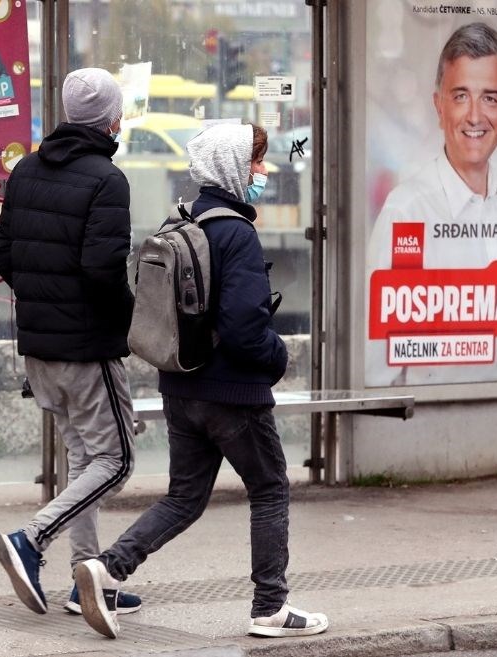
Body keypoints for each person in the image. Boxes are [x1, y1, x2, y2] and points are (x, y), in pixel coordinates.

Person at [73, 123, 327, 641]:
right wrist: (277, 359)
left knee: (185, 497)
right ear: (233, 166)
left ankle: (107, 569)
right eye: (255, 162)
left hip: (181, 388)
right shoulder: (236, 232)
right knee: (271, 487)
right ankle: (270, 607)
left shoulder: (183, 221)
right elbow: (244, 327)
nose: (262, 171)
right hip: (232, 394)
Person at [0, 68, 141, 618]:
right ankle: (30, 541)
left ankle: (87, 580)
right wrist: (133, 324)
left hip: (38, 348)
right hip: (87, 349)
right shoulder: (107, 179)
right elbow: (104, 272)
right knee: (117, 460)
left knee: (83, 461)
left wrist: (43, 302)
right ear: (110, 120)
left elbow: (5, 256)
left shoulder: (26, 170)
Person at [366, 22, 497, 386]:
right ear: (439, 106)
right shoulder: (406, 212)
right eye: (460, 96)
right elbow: (380, 367)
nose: (474, 116)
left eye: (489, 98)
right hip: (437, 428)